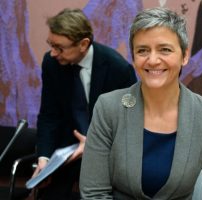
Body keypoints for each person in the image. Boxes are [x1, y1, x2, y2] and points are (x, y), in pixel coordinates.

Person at [80, 7, 202, 199]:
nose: (153, 60)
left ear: (184, 56)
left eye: (164, 49)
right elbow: (94, 193)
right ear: (133, 58)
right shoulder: (109, 108)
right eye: (142, 50)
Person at [32, 8, 137, 200]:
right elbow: (49, 114)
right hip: (66, 154)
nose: (53, 53)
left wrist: (94, 144)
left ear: (83, 44)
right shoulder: (51, 63)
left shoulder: (118, 69)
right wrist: (44, 158)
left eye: (59, 47)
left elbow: (130, 122)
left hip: (107, 154)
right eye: (51, 45)